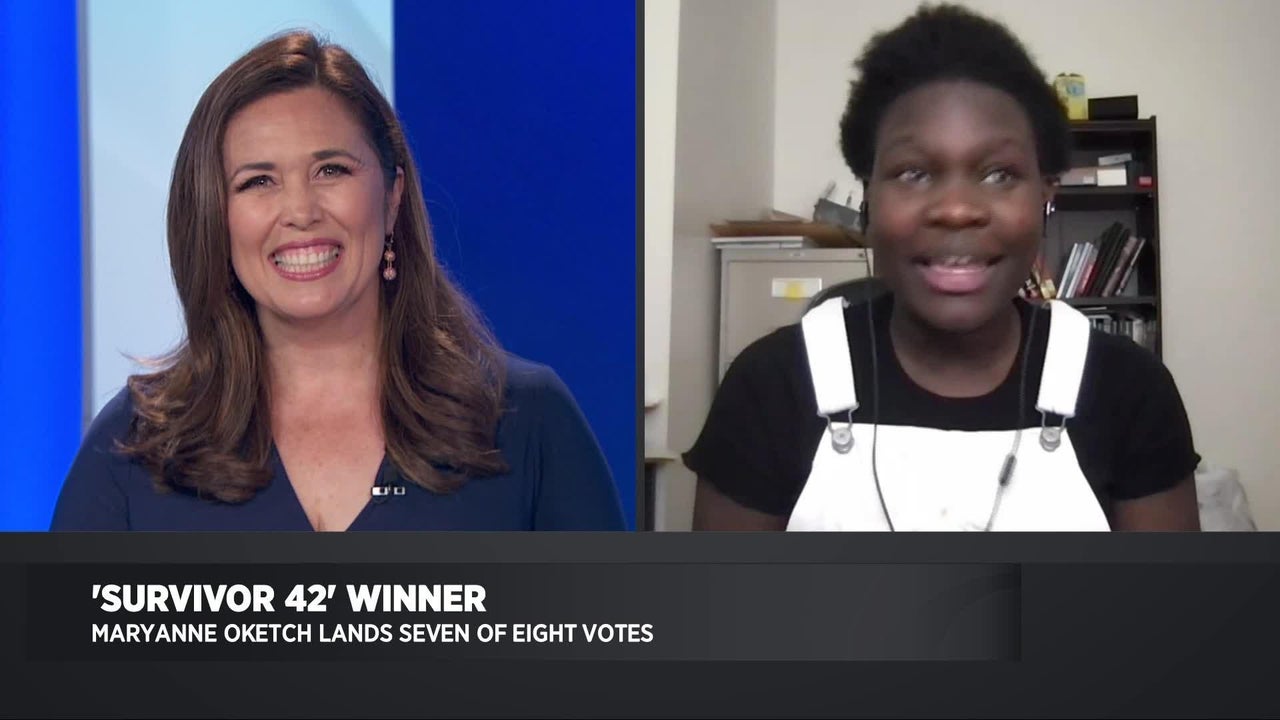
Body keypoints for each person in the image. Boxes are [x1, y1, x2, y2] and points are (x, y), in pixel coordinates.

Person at [51, 31, 624, 531]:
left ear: (392, 196)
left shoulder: (526, 420)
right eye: (257, 182)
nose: (300, 211)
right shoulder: (137, 445)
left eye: (331, 170)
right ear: (213, 219)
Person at [685, 4, 1200, 532]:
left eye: (999, 174)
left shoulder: (1128, 390)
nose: (956, 210)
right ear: (869, 196)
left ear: (1046, 195)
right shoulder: (771, 387)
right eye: (914, 172)